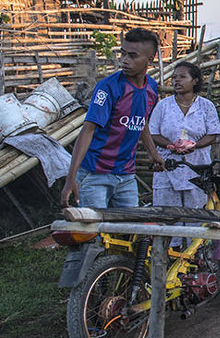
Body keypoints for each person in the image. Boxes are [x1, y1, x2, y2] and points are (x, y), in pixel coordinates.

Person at [62, 28, 165, 208]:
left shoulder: (151, 89)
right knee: (93, 231)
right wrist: (71, 177)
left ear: (150, 60)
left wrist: (152, 153)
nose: (125, 61)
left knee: (129, 231)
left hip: (126, 176)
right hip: (95, 174)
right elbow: (87, 130)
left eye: (133, 56)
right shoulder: (108, 88)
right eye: (123, 54)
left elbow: (142, 122)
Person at [148, 62, 220, 208]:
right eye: (174, 77)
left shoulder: (206, 106)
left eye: (182, 77)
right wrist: (170, 145)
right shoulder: (163, 106)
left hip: (197, 167)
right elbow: (152, 133)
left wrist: (194, 145)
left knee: (195, 216)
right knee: (167, 215)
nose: (177, 80)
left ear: (194, 80)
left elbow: (213, 134)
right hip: (168, 166)